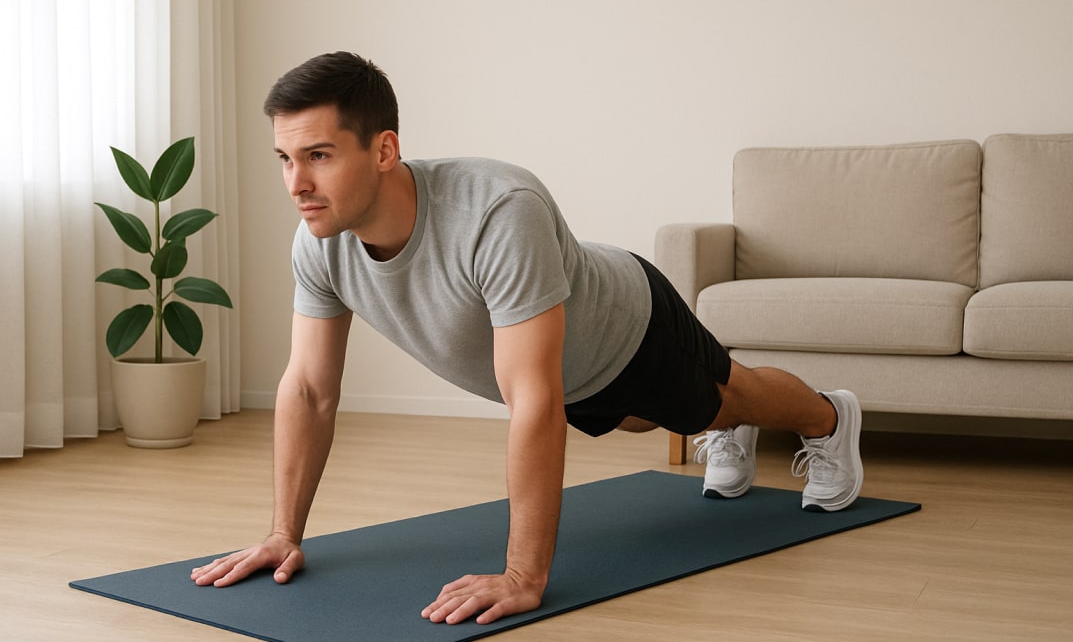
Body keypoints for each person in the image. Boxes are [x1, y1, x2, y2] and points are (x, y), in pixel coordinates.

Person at [190, 51, 864, 626]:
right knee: (632, 423)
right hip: (572, 375)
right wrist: (283, 535)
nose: (295, 184)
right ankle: (731, 429)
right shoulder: (320, 243)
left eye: (317, 156)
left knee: (726, 400)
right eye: (284, 158)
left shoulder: (496, 210)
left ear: (384, 148)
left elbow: (533, 401)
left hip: (627, 326)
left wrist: (522, 576)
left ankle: (830, 417)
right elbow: (308, 391)